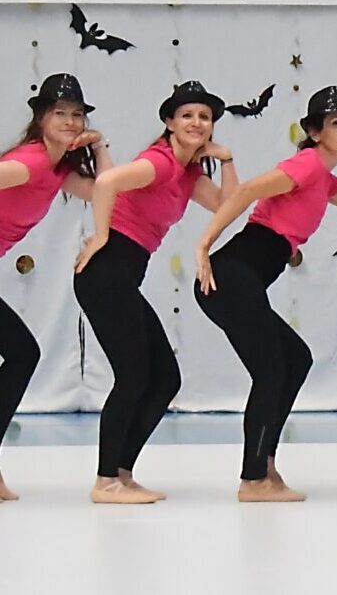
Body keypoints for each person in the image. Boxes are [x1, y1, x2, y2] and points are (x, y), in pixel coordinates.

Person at [193, 86, 337, 501]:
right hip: (231, 275)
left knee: (295, 360)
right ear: (315, 133)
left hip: (244, 277)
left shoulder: (324, 179)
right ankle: (253, 479)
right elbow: (246, 191)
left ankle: (264, 465)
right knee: (272, 370)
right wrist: (204, 243)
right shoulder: (307, 165)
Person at [74, 81, 235, 504]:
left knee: (165, 378)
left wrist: (227, 160)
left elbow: (227, 206)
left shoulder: (187, 173)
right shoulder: (160, 163)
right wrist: (100, 235)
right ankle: (105, 480)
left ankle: (121, 472)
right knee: (133, 375)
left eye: (204, 117)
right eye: (187, 115)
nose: (197, 123)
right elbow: (107, 183)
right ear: (169, 122)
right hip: (105, 273)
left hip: (122, 278)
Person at [0, 74, 106, 501]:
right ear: (41, 118)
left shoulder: (58, 167)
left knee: (23, 354)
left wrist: (100, 146)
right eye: (59, 113)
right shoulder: (31, 162)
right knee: (23, 353)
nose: (69, 121)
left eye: (76, 114)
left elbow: (105, 192)